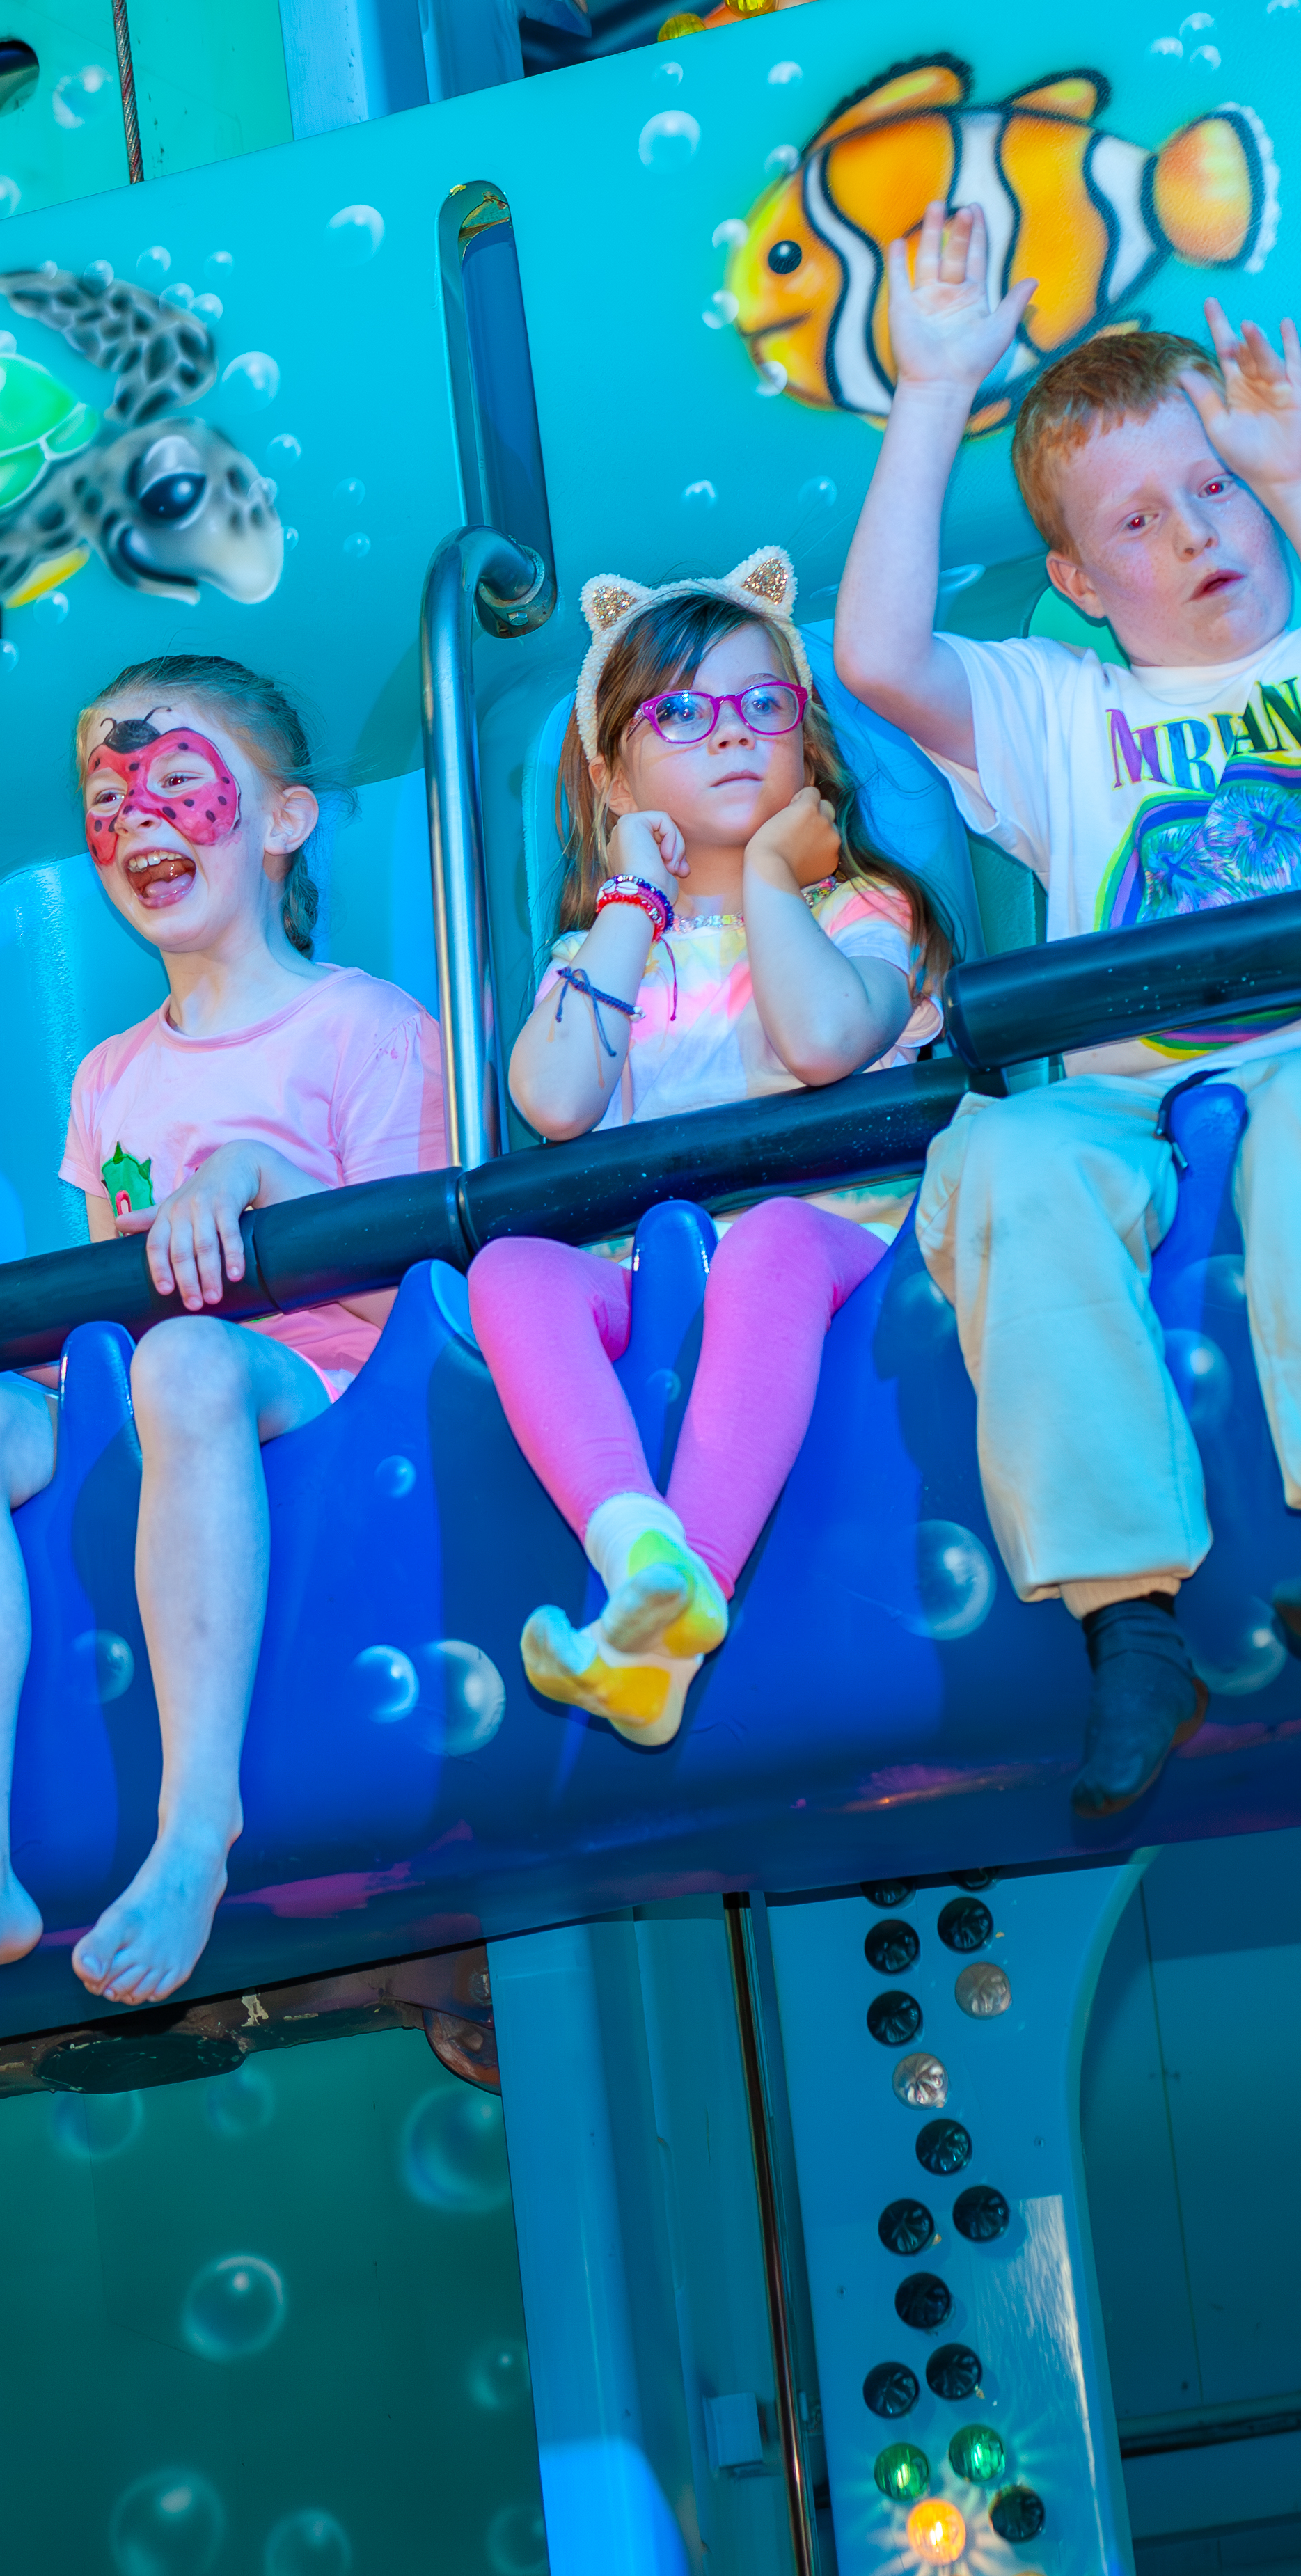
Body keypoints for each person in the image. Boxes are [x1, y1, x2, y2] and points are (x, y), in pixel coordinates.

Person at [837, 203, 1301, 1811]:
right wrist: (936, 386)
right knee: (1005, 1161)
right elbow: (875, 654)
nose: (1198, 530)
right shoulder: (1062, 713)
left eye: (1214, 486)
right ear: (1076, 582)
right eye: (1140, 521)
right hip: (1138, 1100)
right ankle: (1127, 1620)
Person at [0, 658, 446, 2048]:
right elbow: (100, 1341)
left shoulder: (370, 1032)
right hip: (150, 1398)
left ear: (283, 818)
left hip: (313, 1391)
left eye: (179, 784)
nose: (139, 820)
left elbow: (416, 1316)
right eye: (107, 796)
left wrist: (257, 1184)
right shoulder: (108, 1081)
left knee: (192, 1363)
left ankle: (199, 1820)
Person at [473, 549, 952, 1742]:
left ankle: (704, 1576)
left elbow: (830, 1036)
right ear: (613, 766)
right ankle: (642, 1557)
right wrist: (629, 908)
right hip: (667, 1275)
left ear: (807, 740)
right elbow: (555, 1101)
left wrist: (779, 883)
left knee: (776, 1237)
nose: (730, 736)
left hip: (846, 1251)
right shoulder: (613, 949)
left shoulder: (864, 913)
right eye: (679, 713)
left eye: (761, 706)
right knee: (510, 1271)